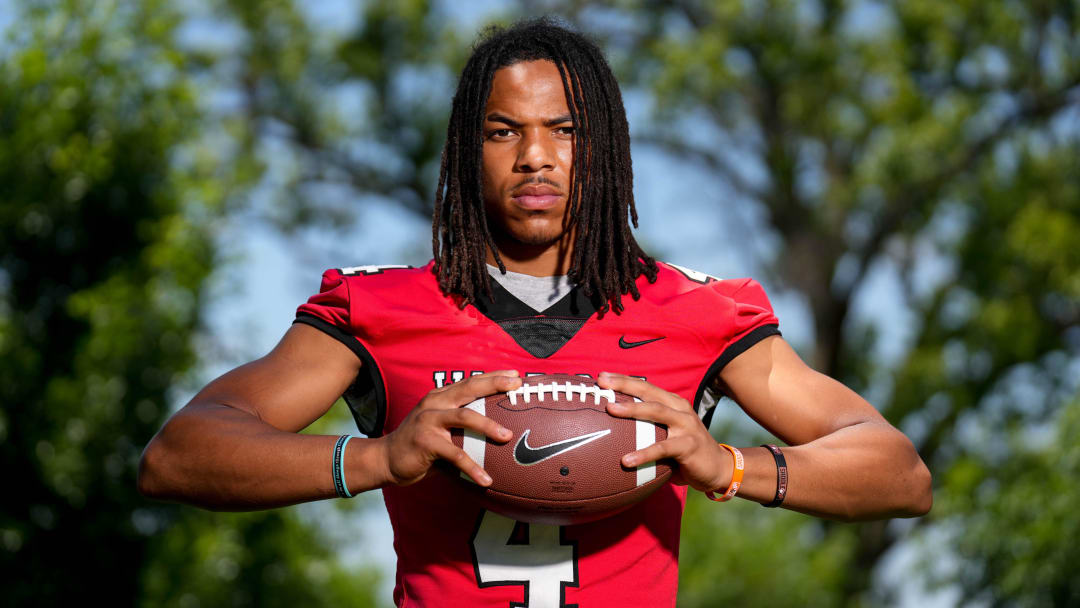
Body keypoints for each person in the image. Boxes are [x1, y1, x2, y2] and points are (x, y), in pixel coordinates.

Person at [138, 18, 932, 608]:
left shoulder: (694, 312)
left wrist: (729, 466)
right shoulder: (380, 307)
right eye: (502, 131)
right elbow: (177, 457)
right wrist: (376, 457)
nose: (535, 156)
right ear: (464, 149)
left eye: (564, 129)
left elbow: (899, 472)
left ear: (605, 147)